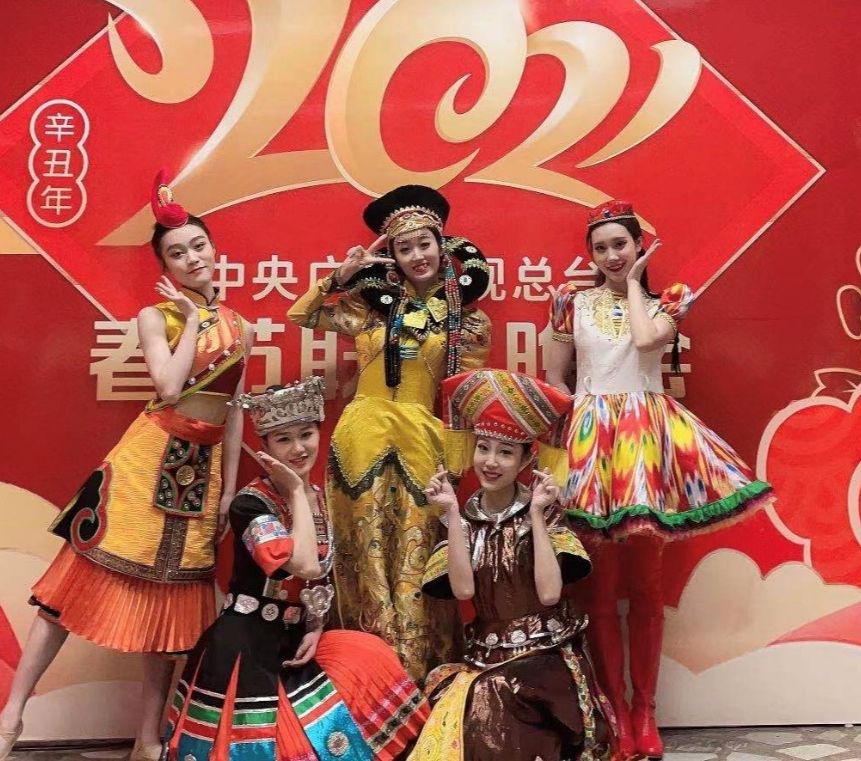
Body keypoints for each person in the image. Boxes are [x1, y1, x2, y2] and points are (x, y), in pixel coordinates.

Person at [0, 171, 251, 761]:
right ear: (165, 266)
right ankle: (9, 720)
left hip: (200, 475)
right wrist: (193, 320)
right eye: (177, 253)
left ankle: (147, 739)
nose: (192, 258)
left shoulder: (242, 329)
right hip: (145, 464)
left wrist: (229, 491)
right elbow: (169, 388)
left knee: (170, 608)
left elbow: (232, 415)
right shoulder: (158, 318)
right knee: (69, 590)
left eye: (198, 246)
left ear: (214, 249)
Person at [543, 198, 774, 760]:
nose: (611, 255)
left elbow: (647, 343)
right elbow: (555, 376)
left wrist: (634, 286)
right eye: (600, 248)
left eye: (620, 245)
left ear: (639, 247)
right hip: (592, 441)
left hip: (648, 442)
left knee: (645, 586)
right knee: (599, 588)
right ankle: (614, 713)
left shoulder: (668, 301)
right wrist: (565, 444)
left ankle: (645, 712)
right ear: (590, 254)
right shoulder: (572, 302)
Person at [287, 184, 491, 681]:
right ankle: (366, 676)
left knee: (417, 560)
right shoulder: (367, 306)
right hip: (361, 440)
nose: (417, 256)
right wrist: (341, 276)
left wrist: (459, 462)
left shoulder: (469, 320)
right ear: (392, 257)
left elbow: (463, 398)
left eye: (424, 244)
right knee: (364, 556)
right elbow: (301, 314)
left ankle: (419, 676)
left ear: (442, 246)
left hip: (422, 441)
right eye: (404, 248)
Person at [164, 378, 428, 761]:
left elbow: (319, 575)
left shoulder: (320, 496)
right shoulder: (249, 504)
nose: (299, 448)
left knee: (371, 657)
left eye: (306, 434)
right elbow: (301, 563)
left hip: (293, 640)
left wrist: (316, 626)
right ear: (266, 446)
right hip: (245, 645)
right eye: (283, 439)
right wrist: (295, 492)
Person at [411, 368, 614, 761]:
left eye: (505, 452)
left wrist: (537, 514)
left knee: (490, 698)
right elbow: (464, 591)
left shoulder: (545, 515)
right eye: (483, 448)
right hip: (485, 656)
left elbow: (550, 594)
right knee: (455, 703)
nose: (491, 462)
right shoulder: (465, 520)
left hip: (544, 658)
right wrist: (451, 513)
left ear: (526, 459)